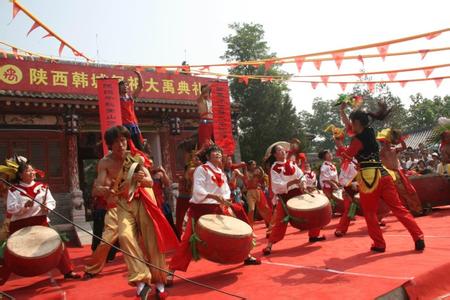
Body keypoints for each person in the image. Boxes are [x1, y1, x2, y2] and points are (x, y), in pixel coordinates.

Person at [92, 125, 178, 299]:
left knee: (151, 240)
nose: (121, 145)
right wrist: (104, 190)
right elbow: (97, 187)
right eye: (116, 142)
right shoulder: (105, 162)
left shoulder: (136, 158)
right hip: (122, 203)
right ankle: (141, 282)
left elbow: (149, 182)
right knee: (125, 237)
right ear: (110, 145)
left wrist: (141, 179)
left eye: (123, 141)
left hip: (142, 201)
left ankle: (160, 283)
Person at [336, 102, 425, 252]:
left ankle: (379, 244)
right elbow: (350, 127)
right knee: (399, 208)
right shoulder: (370, 131)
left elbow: (348, 154)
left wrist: (340, 146)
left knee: (370, 213)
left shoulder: (357, 141)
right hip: (383, 175)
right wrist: (342, 112)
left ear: (357, 123)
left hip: (368, 178)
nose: (349, 126)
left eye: (352, 123)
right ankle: (418, 237)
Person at [169, 145, 261, 282]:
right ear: (207, 157)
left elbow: (225, 190)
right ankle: (171, 271)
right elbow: (198, 190)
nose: (218, 154)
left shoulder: (221, 171)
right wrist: (213, 196)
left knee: (235, 231)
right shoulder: (202, 169)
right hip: (201, 209)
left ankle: (246, 255)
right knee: (187, 240)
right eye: (214, 152)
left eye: (219, 152)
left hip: (219, 207)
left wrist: (225, 200)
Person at [0, 159, 80, 285]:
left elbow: (51, 202)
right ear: (20, 175)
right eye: (28, 170)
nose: (32, 172)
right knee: (10, 253)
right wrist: (23, 207)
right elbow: (10, 208)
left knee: (59, 245)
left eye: (32, 170)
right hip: (20, 225)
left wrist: (46, 207)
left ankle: (68, 271)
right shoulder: (14, 190)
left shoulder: (42, 187)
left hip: (40, 222)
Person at [263, 144, 325, 256]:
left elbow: (301, 175)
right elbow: (277, 186)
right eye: (279, 150)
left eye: (283, 150)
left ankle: (314, 235)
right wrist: (293, 182)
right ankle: (269, 245)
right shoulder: (274, 168)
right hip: (285, 196)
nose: (282, 151)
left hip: (298, 192)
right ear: (275, 154)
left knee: (313, 212)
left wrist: (303, 183)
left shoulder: (292, 163)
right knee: (281, 222)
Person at [377, 128, 424, 216]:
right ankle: (412, 210)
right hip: (389, 174)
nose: (387, 143)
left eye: (388, 141)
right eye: (385, 142)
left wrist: (401, 140)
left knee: (409, 191)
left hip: (398, 173)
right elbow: (382, 150)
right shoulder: (381, 152)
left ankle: (413, 209)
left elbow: (404, 147)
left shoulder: (394, 149)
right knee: (401, 193)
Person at [175, 154, 201, 237]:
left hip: (191, 200)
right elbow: (189, 172)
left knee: (191, 220)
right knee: (181, 219)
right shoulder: (183, 177)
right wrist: (196, 163)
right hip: (182, 200)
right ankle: (180, 237)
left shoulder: (194, 176)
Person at [240, 161, 272, 227]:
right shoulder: (247, 172)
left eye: (255, 164)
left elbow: (263, 177)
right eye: (253, 165)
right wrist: (245, 168)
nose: (254, 166)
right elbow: (248, 179)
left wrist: (261, 170)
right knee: (251, 210)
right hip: (250, 193)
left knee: (264, 209)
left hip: (258, 191)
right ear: (249, 166)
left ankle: (270, 224)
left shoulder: (258, 172)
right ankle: (250, 226)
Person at [119, 70, 144, 151]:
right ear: (118, 88)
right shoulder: (117, 99)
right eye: (122, 85)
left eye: (126, 85)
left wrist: (139, 75)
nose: (125, 87)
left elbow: (140, 86)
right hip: (123, 126)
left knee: (139, 147)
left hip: (133, 125)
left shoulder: (131, 98)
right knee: (127, 148)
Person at [334, 161, 359, 237]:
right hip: (349, 191)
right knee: (348, 210)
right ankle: (340, 229)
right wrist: (351, 184)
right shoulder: (347, 164)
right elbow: (341, 179)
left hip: (363, 189)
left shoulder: (363, 161)